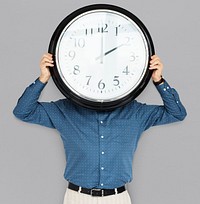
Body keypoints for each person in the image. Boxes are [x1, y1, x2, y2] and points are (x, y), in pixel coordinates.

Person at [13, 53, 187, 204]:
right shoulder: (65, 110)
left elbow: (177, 113)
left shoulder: (135, 112)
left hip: (117, 198)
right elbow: (23, 111)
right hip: (77, 197)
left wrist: (159, 80)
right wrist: (43, 77)